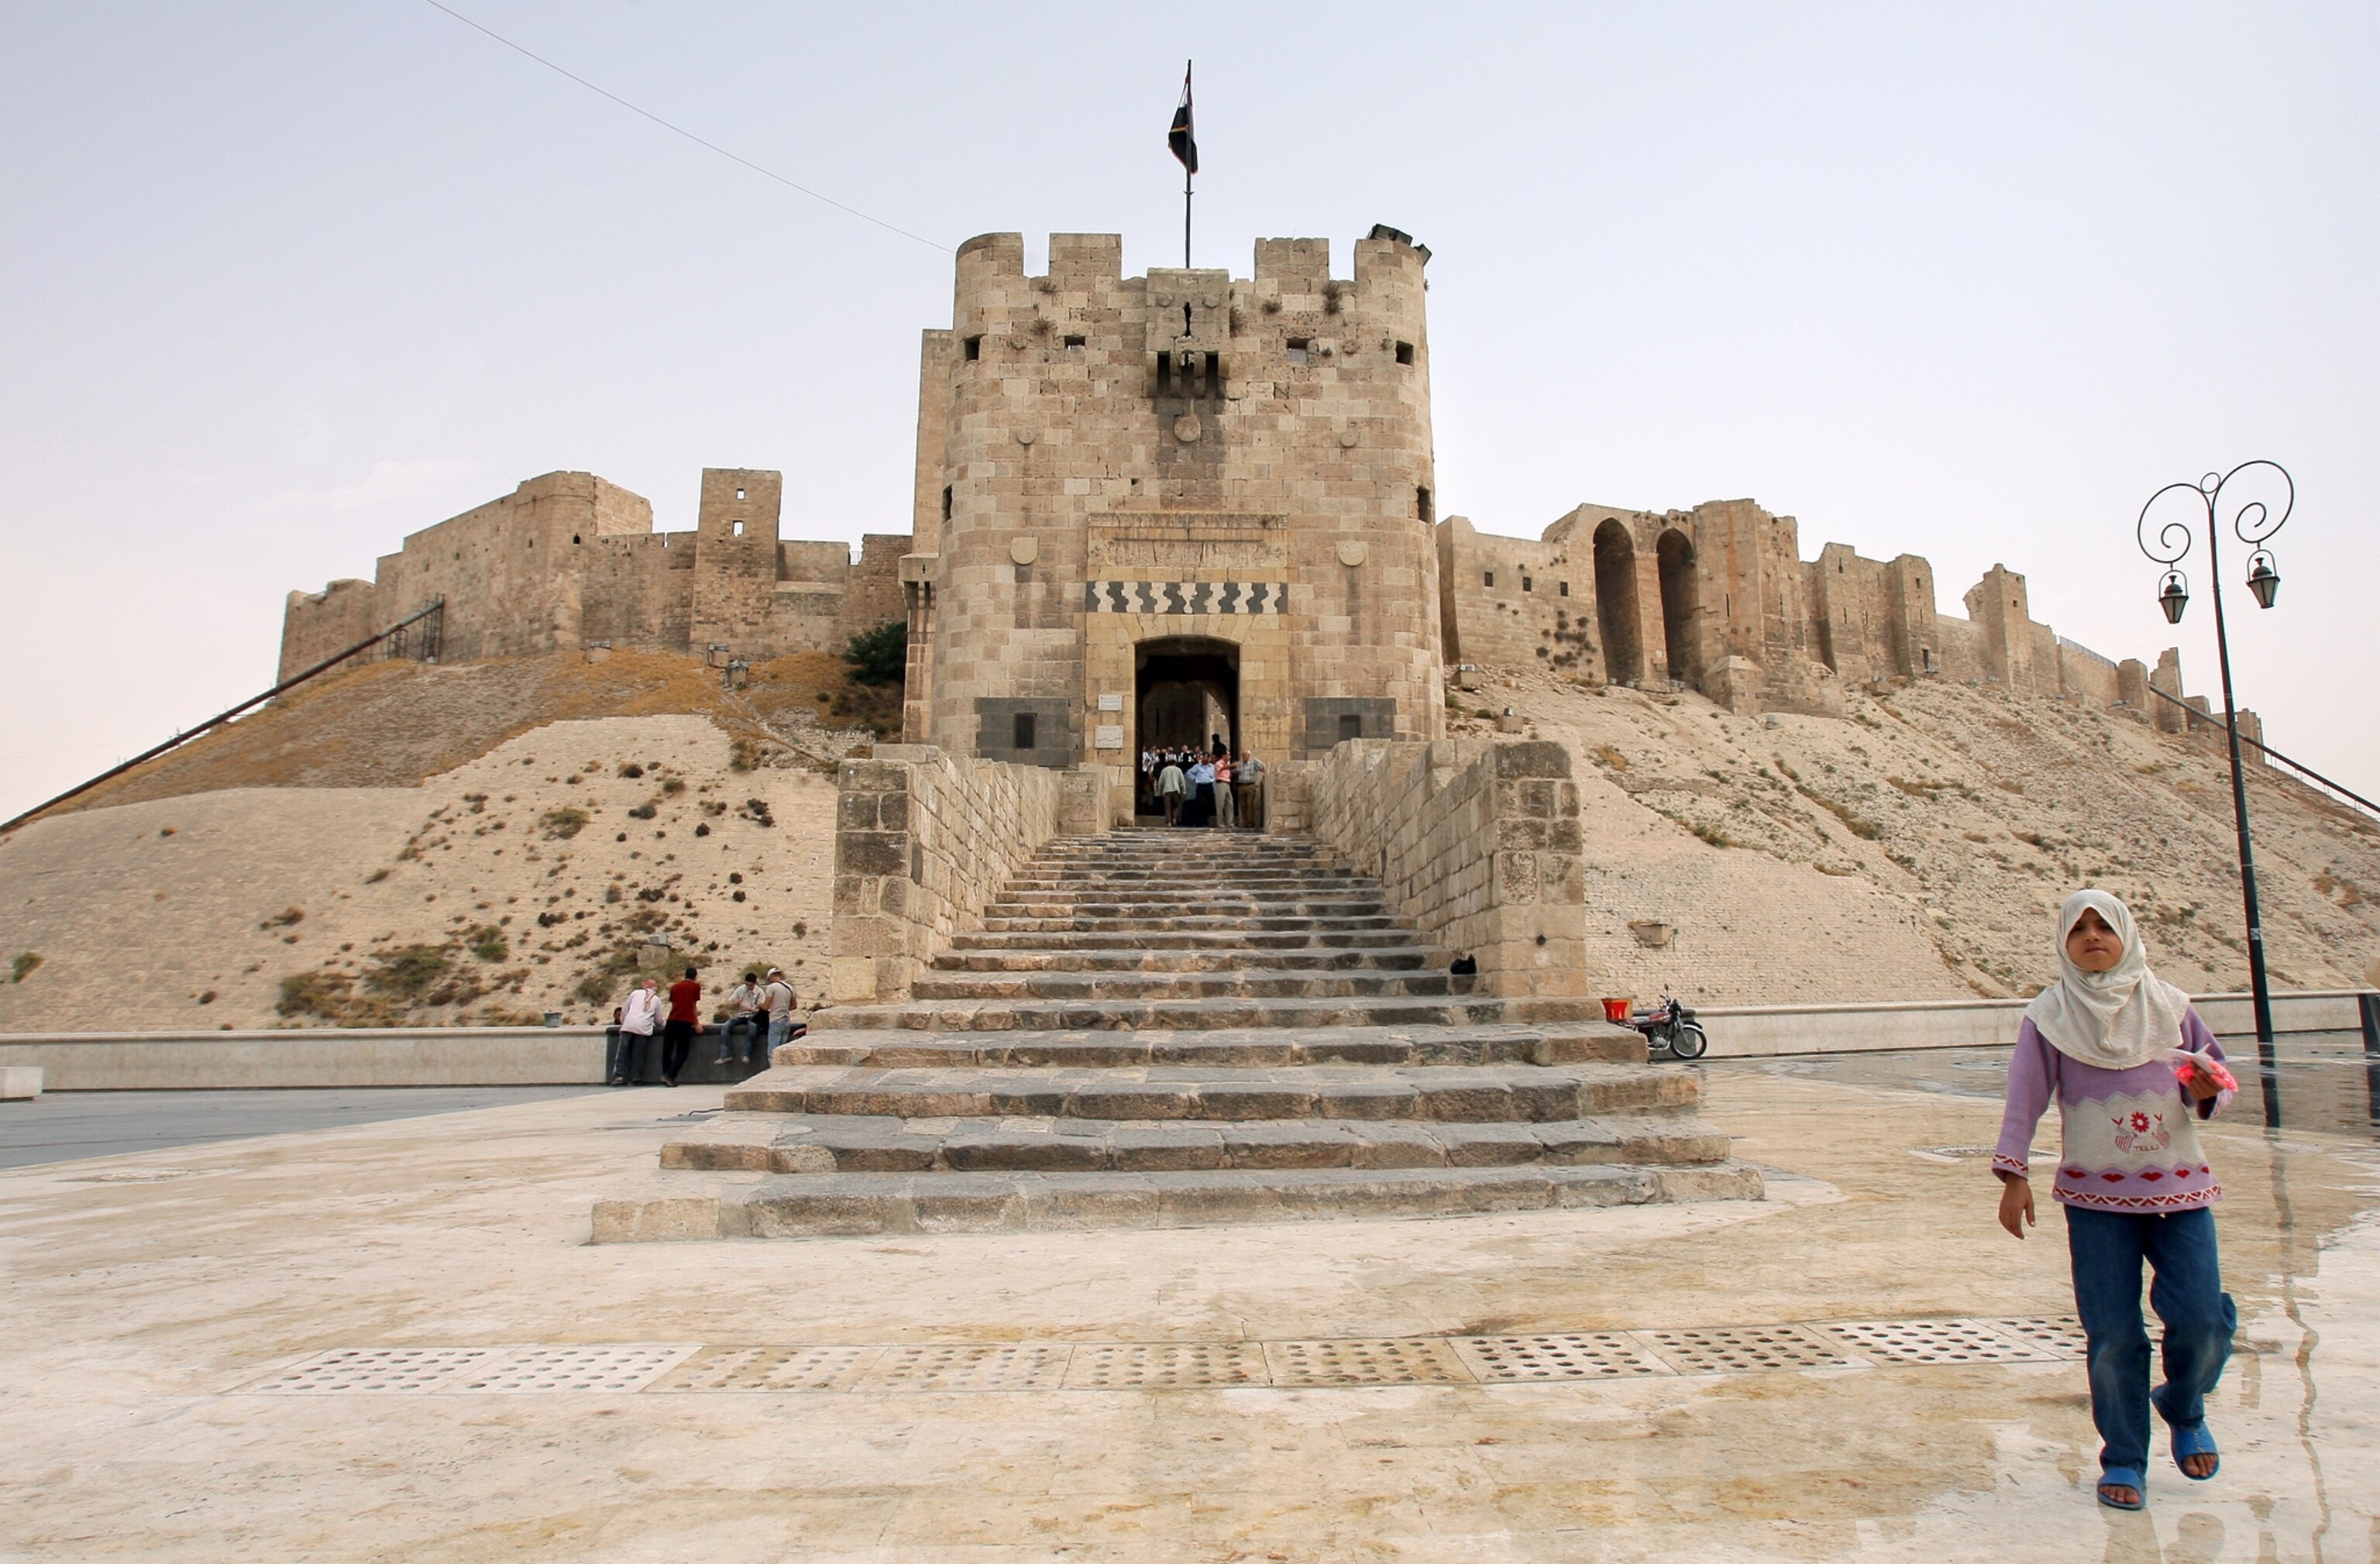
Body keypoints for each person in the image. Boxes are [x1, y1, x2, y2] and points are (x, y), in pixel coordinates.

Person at [1992, 890, 2235, 1511]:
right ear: (2063, 942)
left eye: (2105, 925)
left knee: (2203, 1316)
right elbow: (2026, 1096)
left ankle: (2182, 1404)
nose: (2093, 936)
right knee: (2112, 1334)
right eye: (2080, 928)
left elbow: (2216, 1076)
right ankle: (2125, 1455)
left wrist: (2207, 1089)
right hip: (2096, 1200)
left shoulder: (2172, 1005)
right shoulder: (2050, 1015)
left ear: (2126, 932)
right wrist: (2014, 1173)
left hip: (2180, 1192)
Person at [612, 978, 662, 1086]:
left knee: (623, 1053)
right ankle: (635, 1078)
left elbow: (625, 1010)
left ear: (645, 985)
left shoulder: (635, 993)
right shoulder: (656, 999)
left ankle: (619, 1076)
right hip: (643, 1029)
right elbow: (658, 1020)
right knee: (638, 1055)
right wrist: (661, 1025)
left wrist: (624, 1022)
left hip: (629, 1026)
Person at [661, 965, 702, 1087]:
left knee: (667, 1050)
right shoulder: (695, 987)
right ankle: (670, 1075)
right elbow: (693, 1006)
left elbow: (674, 1005)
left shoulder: (675, 987)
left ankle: (665, 1074)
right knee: (682, 1052)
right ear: (695, 976)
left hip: (672, 1020)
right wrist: (697, 1023)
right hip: (685, 1021)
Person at [717, 971, 765, 1069]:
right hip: (741, 1015)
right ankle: (726, 1054)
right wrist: (736, 1003)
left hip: (752, 1016)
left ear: (755, 983)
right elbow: (732, 1002)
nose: (748, 987)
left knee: (753, 1028)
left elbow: (761, 1010)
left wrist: (750, 1009)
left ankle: (746, 1054)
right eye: (747, 985)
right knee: (726, 1026)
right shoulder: (741, 990)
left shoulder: (760, 993)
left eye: (750, 985)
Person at [760, 966, 800, 1059]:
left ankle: (772, 1072)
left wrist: (759, 1005)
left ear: (771, 977)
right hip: (786, 1020)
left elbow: (766, 1007)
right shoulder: (789, 987)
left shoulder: (772, 987)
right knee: (781, 1053)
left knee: (772, 1053)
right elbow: (794, 1006)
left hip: (776, 1020)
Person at [1236, 748, 1265, 830]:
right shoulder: (1240, 764)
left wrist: (1265, 774)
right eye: (1242, 755)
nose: (1243, 757)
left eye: (1244, 755)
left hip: (1251, 786)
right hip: (1241, 785)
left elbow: (1263, 767)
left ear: (1249, 755)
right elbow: (1236, 771)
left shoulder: (1254, 762)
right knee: (1243, 805)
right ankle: (1245, 822)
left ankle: (1250, 822)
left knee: (1250, 804)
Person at [1156, 754, 1186, 827]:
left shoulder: (1165, 770)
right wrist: (1183, 791)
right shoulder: (1178, 770)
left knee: (1167, 807)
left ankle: (1169, 822)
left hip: (1167, 790)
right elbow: (1182, 781)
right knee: (1176, 806)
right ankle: (1174, 819)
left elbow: (1161, 782)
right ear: (1175, 762)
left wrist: (1159, 792)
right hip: (1176, 790)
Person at [1186, 751, 1216, 828]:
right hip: (1200, 786)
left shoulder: (1213, 767)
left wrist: (1212, 780)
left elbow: (1216, 774)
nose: (1204, 759)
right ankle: (1198, 821)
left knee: (1209, 804)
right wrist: (1195, 779)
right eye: (1203, 757)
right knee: (1198, 804)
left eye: (1205, 757)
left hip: (1209, 786)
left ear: (1209, 758)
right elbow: (1189, 773)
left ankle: (1205, 820)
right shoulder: (1198, 766)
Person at [1212, 748, 1235, 829]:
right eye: (1228, 755)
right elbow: (1222, 769)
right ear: (1224, 755)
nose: (1229, 757)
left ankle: (1230, 823)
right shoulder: (1218, 763)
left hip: (1227, 784)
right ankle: (1220, 823)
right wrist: (1232, 766)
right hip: (1220, 784)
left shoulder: (1226, 764)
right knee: (1220, 805)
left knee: (1230, 803)